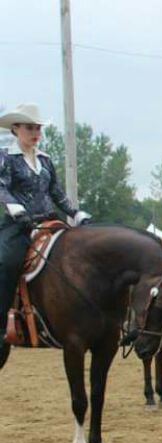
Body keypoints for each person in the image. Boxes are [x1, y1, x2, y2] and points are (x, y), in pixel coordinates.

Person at [0, 103, 90, 325]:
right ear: (15, 129)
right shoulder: (6, 157)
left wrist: (76, 213)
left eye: (38, 128)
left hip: (49, 221)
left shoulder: (45, 159)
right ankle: (2, 322)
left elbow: (57, 193)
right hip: (18, 225)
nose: (36, 133)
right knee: (7, 263)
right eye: (30, 128)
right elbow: (1, 186)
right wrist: (14, 207)